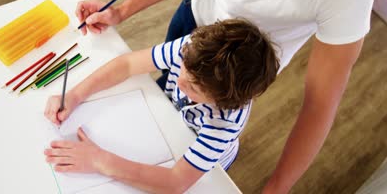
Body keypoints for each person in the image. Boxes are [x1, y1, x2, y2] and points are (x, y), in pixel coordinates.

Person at [74, 0, 376, 192]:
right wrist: (121, 11)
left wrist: (275, 188)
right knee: (166, 98)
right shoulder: (186, 50)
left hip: (232, 75)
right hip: (196, 30)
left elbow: (320, 103)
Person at [44, 19, 280, 193]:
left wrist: (99, 161)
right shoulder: (192, 49)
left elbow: (175, 183)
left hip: (205, 161)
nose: (177, 80)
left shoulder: (224, 123)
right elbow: (126, 64)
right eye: (183, 69)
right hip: (168, 122)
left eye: (193, 88)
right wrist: (75, 95)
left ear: (221, 101)